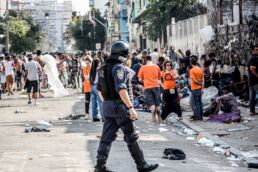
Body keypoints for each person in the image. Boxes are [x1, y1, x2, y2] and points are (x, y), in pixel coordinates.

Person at [95, 40, 159, 172]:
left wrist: (107, 103)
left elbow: (99, 90)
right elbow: (122, 89)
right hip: (120, 107)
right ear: (124, 53)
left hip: (108, 107)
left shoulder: (102, 68)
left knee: (106, 138)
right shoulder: (119, 68)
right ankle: (142, 165)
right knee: (131, 137)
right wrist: (130, 108)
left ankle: (99, 167)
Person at [138, 55, 162, 123]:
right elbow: (159, 78)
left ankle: (153, 118)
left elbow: (139, 79)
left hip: (147, 87)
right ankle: (159, 118)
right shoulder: (156, 67)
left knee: (152, 104)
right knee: (157, 103)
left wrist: (144, 81)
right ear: (152, 60)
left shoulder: (143, 67)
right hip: (156, 86)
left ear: (145, 60)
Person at [90, 57, 103, 122]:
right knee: (100, 102)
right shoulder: (99, 69)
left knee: (94, 103)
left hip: (91, 87)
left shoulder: (92, 69)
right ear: (98, 63)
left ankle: (94, 116)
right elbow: (97, 80)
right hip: (97, 87)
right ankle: (103, 117)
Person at [248, 44, 258, 116]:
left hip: (251, 80)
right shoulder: (253, 58)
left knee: (252, 96)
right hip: (255, 80)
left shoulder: (250, 57)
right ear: (252, 50)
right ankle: (252, 111)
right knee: (253, 96)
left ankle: (252, 111)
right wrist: (257, 75)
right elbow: (252, 68)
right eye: (256, 50)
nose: (257, 51)